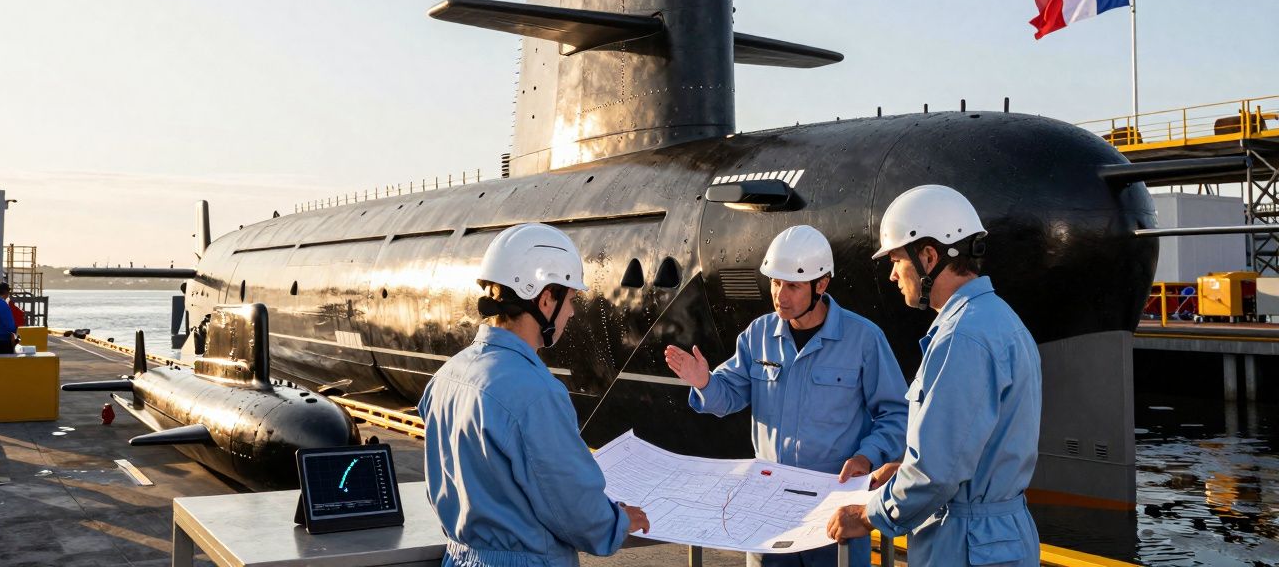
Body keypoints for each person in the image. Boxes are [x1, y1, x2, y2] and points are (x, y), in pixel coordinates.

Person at [666, 225, 908, 567]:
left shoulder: (864, 340)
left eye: (793, 285)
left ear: (821, 285)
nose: (780, 295)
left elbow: (897, 415)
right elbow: (727, 398)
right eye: (776, 283)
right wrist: (704, 382)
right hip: (767, 511)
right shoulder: (759, 334)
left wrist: (867, 457)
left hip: (834, 510)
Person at [827, 185, 1042, 566]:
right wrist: (903, 471)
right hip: (1000, 539)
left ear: (928, 256)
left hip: (965, 544)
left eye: (896, 260)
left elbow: (936, 474)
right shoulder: (1000, 320)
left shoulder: (962, 337)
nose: (893, 276)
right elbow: (969, 451)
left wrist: (867, 516)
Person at [418, 223, 649, 567]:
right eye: (569, 299)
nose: (571, 312)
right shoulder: (536, 393)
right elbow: (572, 503)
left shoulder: (447, 376)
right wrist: (615, 521)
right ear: (545, 298)